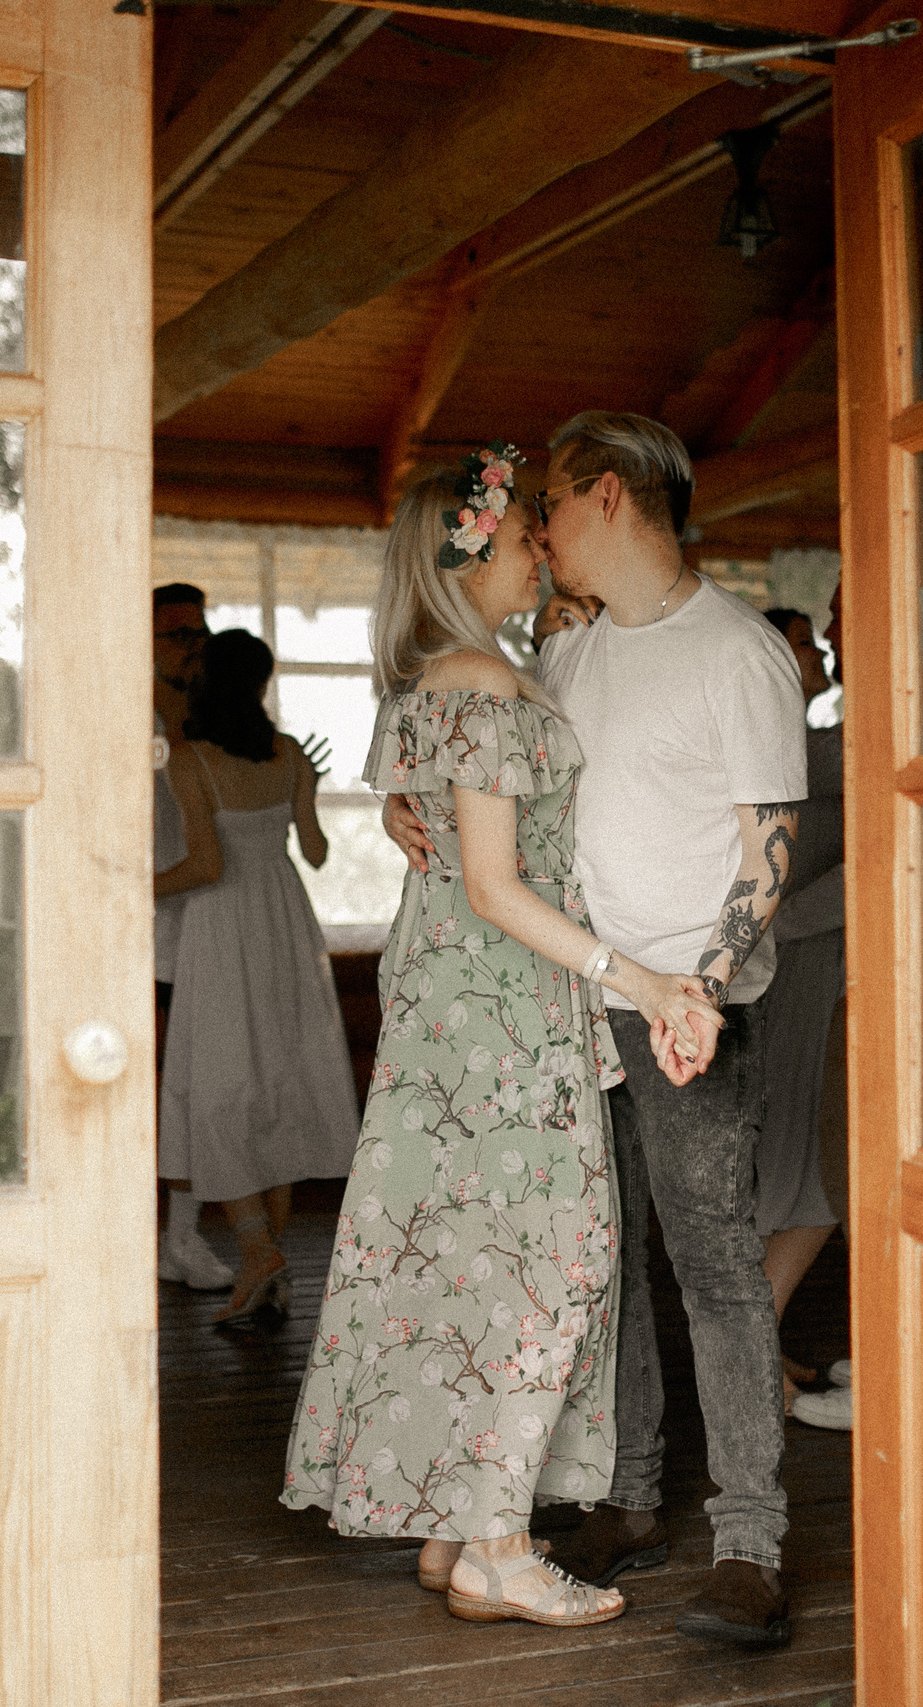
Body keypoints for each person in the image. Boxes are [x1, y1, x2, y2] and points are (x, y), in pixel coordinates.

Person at [281, 445, 724, 1630]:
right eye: (527, 533)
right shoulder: (482, 684)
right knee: (543, 1265)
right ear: (472, 551)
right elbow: (491, 883)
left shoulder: (449, 674)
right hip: (502, 1010)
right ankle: (498, 1547)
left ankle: (452, 1528)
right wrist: (634, 974)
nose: (543, 547)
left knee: (470, 1259)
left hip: (457, 1014)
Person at [387, 412, 807, 1649]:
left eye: (551, 510)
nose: (540, 534)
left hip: (689, 1010)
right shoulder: (564, 658)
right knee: (599, 1265)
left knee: (714, 1267)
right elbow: (500, 808)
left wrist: (702, 991)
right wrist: (412, 822)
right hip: (568, 1006)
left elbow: (766, 855)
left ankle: (749, 1543)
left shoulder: (737, 654)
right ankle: (629, 1497)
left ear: (608, 498)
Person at [157, 628, 360, 1324]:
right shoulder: (292, 752)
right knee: (277, 1083)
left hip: (221, 928)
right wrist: (309, 791)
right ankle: (264, 1260)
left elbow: (207, 866)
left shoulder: (190, 760)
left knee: (221, 1086)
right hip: (284, 921)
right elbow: (316, 850)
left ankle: (258, 1251)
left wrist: (131, 888)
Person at [750, 605, 844, 1417]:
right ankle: (751, 1359)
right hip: (800, 967)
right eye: (804, 642)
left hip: (807, 961)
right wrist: (784, 928)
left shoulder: (813, 743)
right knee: (807, 1165)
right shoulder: (809, 752)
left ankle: (758, 1348)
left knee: (794, 1156)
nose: (819, 650)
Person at [151, 583, 232, 1290]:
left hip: (205, 924)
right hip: (137, 927)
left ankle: (181, 1237)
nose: (193, 647)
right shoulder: (125, 716)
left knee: (194, 1088)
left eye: (199, 634)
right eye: (178, 634)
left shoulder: (218, 717)